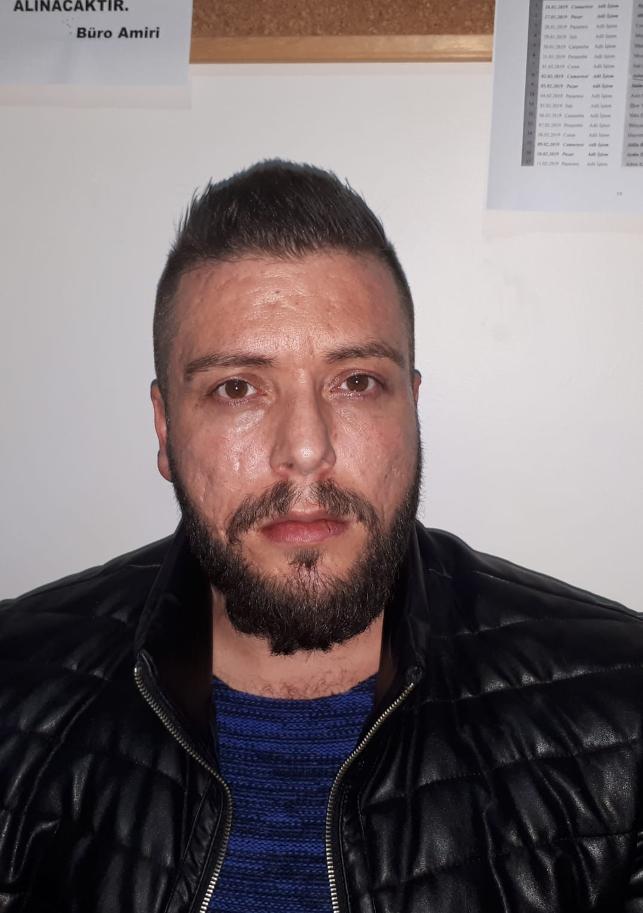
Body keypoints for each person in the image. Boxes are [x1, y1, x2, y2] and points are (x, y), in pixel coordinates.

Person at [0, 159, 642, 913]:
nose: (306, 449)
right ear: (165, 429)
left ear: (412, 409)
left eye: (357, 382)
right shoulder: (17, 696)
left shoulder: (622, 717)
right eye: (237, 388)